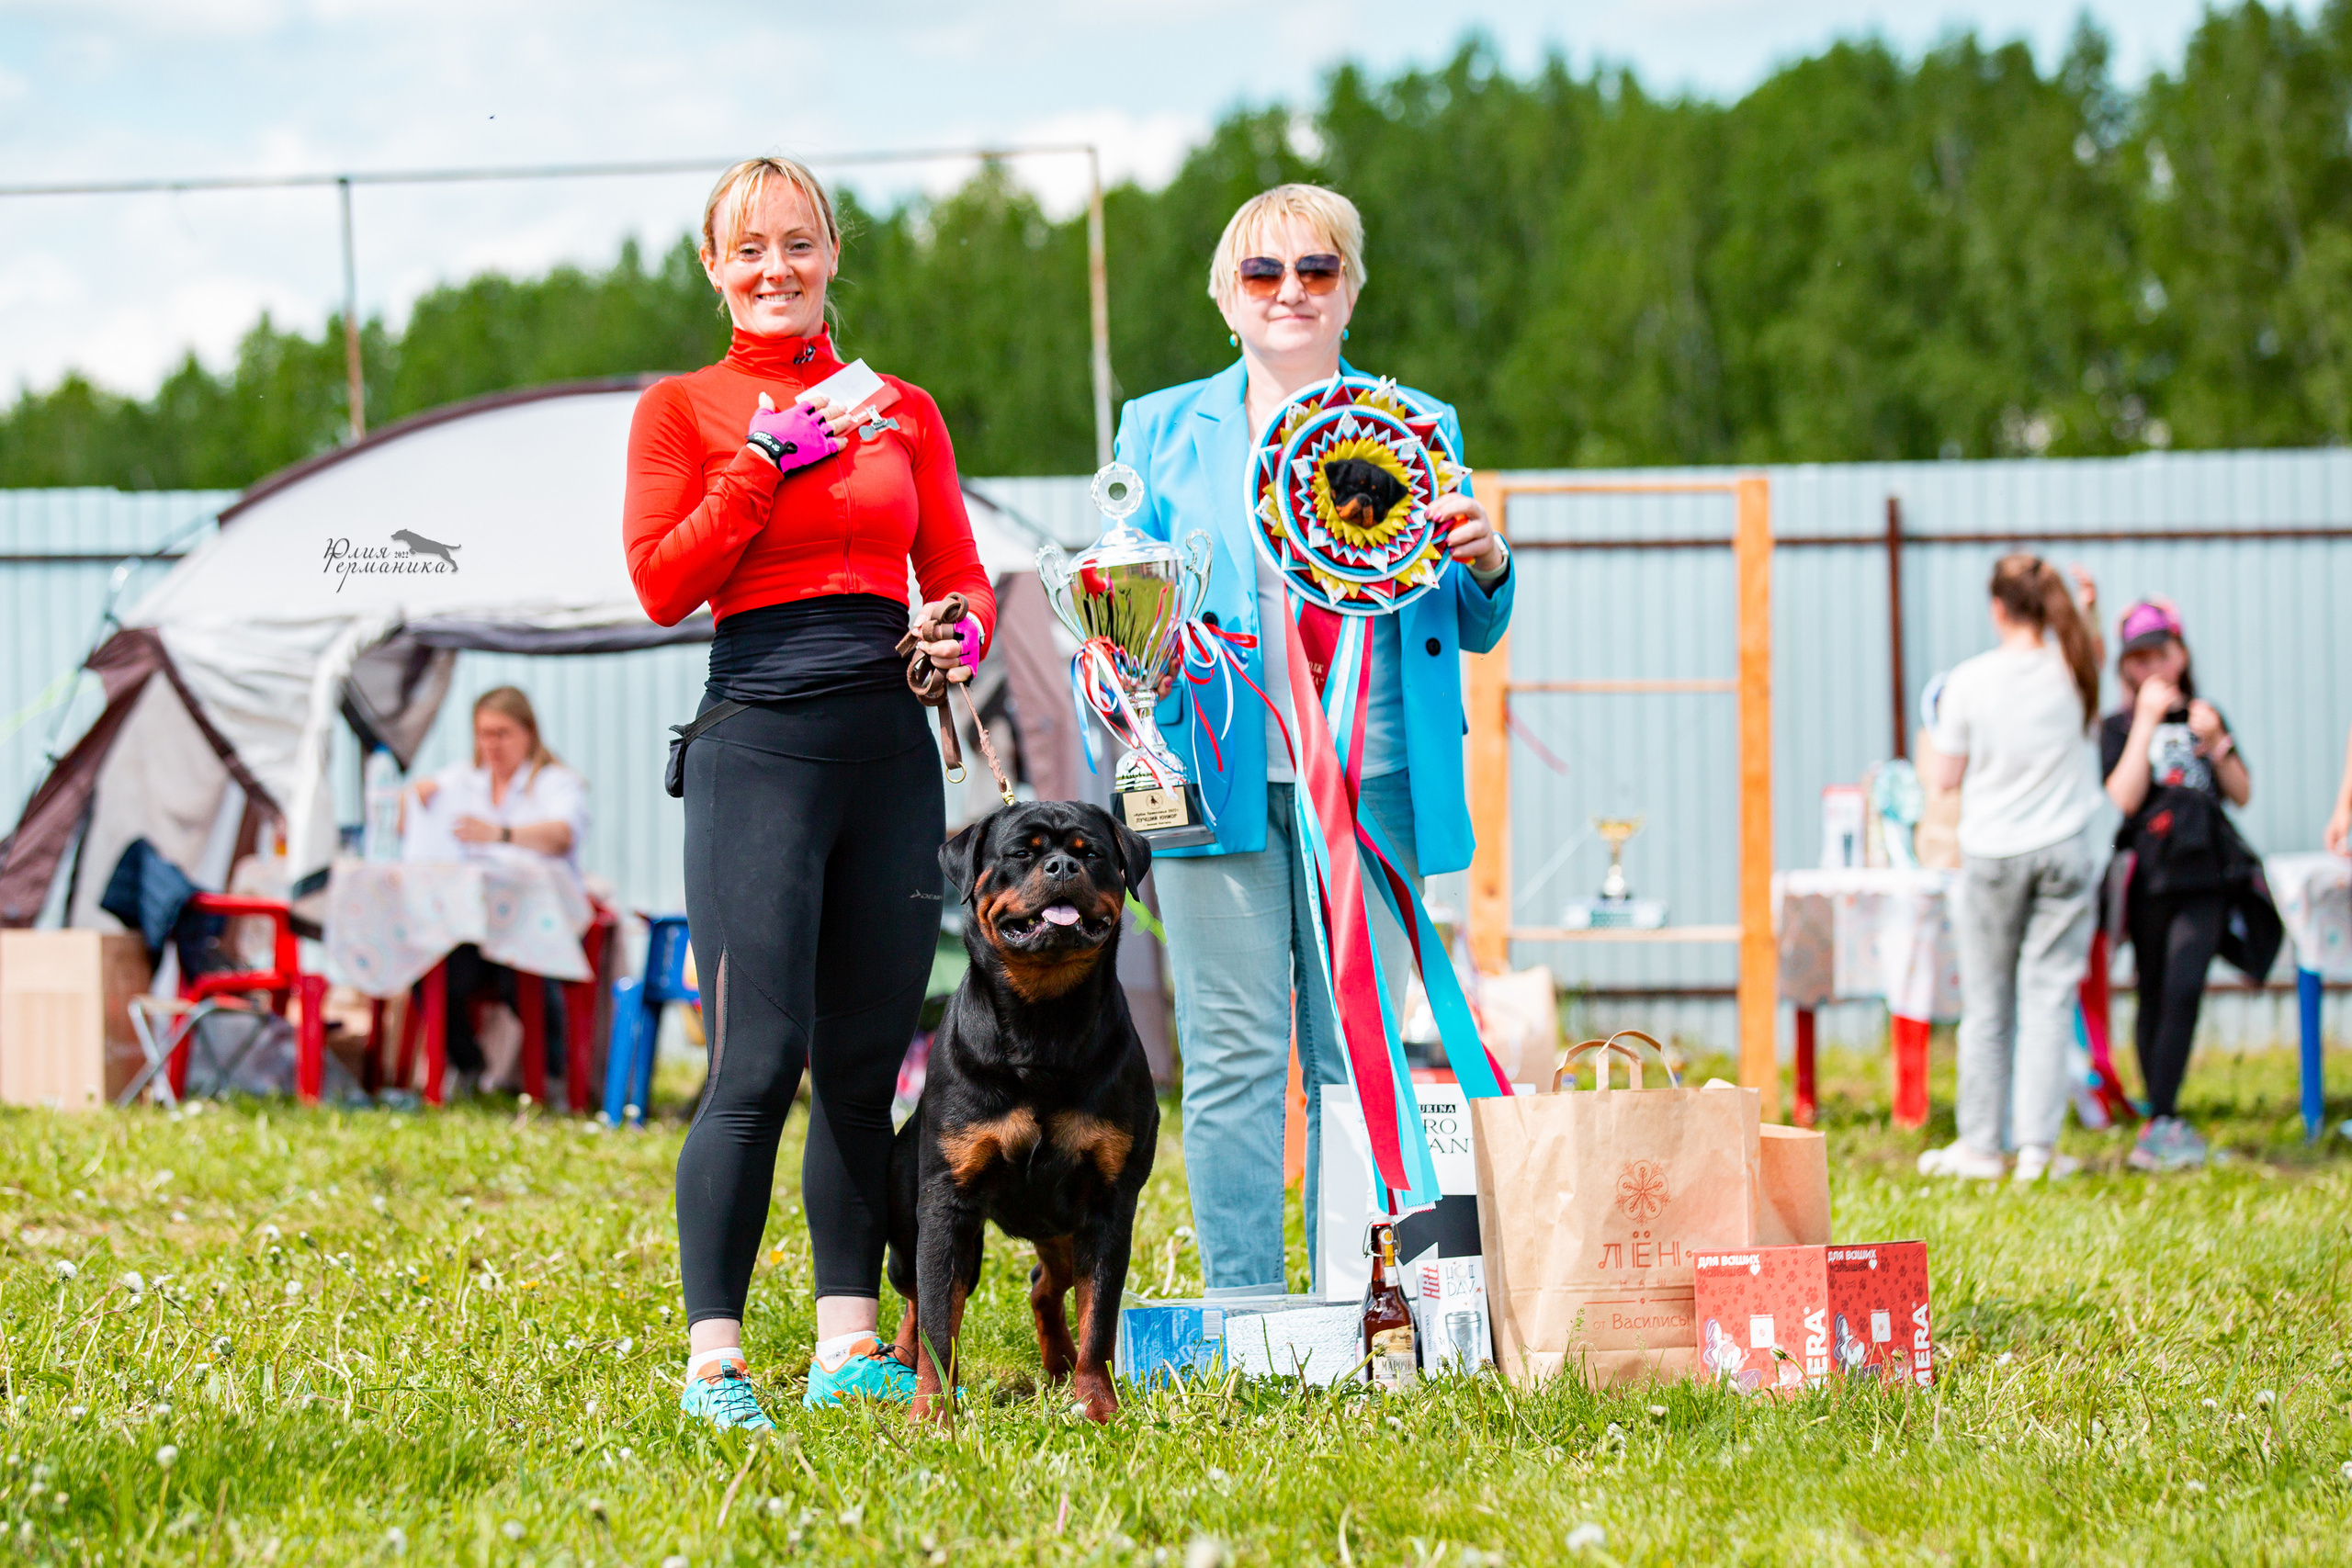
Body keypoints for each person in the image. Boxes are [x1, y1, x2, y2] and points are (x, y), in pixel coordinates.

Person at [622, 155, 993, 1429]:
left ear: (834, 253)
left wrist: (960, 634)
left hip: (888, 749)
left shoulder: (902, 407)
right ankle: (714, 1360)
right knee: (754, 1061)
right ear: (714, 266)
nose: (774, 267)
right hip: (758, 747)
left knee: (858, 1063)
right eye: (749, 248)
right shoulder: (683, 408)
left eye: (799, 242)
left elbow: (956, 568)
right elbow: (663, 583)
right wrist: (757, 465)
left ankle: (846, 1343)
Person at [1111, 184, 1513, 1296]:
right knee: (1235, 1059)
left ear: (1350, 291)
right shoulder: (1155, 427)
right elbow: (1119, 605)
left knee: (1357, 1054)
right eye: (1262, 273)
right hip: (1216, 777)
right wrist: (1120, 637)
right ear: (1225, 300)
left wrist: (1484, 560)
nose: (1290, 291)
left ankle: (1363, 1298)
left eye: (1316, 270)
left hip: (1372, 783)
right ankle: (1244, 1306)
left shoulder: (1418, 423)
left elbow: (1469, 620)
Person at [1918, 556, 2106, 1183]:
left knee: (1989, 1004)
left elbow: (1944, 778)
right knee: (2048, 1000)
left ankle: (1979, 1146)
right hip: (2065, 850)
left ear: (1998, 607)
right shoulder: (2073, 669)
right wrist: (2087, 609)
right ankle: (2037, 1150)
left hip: (1992, 854)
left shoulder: (1970, 681)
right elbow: (2090, 648)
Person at [2100, 598, 2256, 1172]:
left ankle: (2162, 1116)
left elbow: (2241, 792)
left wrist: (2217, 742)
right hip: (2149, 878)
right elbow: (2123, 798)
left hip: (2203, 875)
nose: (2151, 669)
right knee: (2154, 990)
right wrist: (2144, 721)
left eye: (2160, 655)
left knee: (2186, 986)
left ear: (2181, 655)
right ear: (2126, 668)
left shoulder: (2205, 717)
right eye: (2137, 659)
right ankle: (2159, 1115)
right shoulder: (2118, 727)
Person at [404, 686, 589, 1095]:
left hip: (535, 924)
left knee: (525, 972)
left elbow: (562, 835)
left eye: (501, 733)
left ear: (528, 732)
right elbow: (414, 806)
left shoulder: (556, 783)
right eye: (484, 734)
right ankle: (466, 1064)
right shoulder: (462, 780)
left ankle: (553, 1077)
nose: (491, 744)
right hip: (471, 927)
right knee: (427, 967)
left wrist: (501, 834)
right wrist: (414, 798)